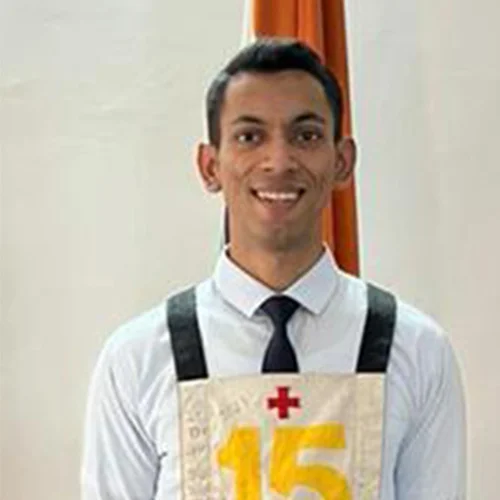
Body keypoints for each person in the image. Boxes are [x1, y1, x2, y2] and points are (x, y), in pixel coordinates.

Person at [81, 38, 466, 500]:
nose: (279, 162)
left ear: (342, 161)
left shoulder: (417, 350)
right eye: (250, 136)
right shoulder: (138, 358)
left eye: (306, 136)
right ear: (210, 166)